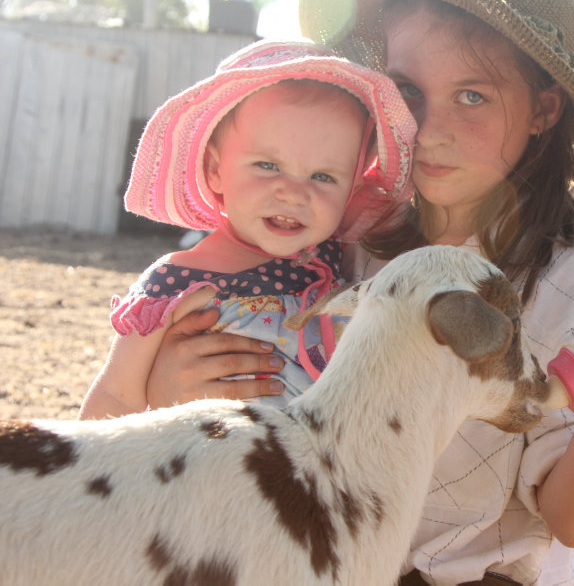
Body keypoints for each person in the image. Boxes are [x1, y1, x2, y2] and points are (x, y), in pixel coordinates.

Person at [144, 0, 574, 585]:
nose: (429, 131)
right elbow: (233, 323)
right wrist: (171, 385)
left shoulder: (568, 276)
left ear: (543, 109)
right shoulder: (348, 223)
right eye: (409, 91)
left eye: (473, 96)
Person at [79, 40, 416, 419]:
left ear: (351, 190)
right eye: (267, 166)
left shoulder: (339, 268)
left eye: (323, 176)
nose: (293, 193)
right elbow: (115, 398)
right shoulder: (174, 285)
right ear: (215, 170)